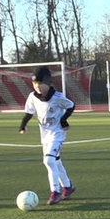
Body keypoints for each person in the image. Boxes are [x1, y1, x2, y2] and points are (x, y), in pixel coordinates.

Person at [19, 66, 76, 205]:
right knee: (56, 161)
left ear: (48, 83)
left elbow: (71, 105)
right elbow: (29, 112)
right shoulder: (32, 97)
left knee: (48, 161)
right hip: (45, 136)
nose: (37, 86)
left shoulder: (57, 97)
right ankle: (68, 187)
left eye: (40, 83)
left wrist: (63, 120)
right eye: (35, 83)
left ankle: (55, 192)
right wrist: (23, 125)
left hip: (57, 134)